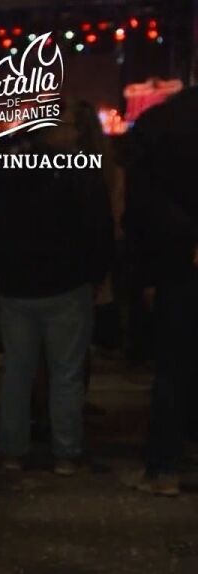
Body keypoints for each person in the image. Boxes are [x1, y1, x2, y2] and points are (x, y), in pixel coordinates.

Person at [0, 118, 115, 474]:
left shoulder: (8, 170)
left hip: (18, 284)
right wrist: (96, 274)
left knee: (18, 370)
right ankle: (66, 452)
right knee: (66, 372)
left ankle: (12, 448)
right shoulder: (80, 172)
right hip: (67, 283)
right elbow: (98, 227)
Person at [125, 86, 198, 496]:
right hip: (177, 256)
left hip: (176, 262)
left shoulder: (161, 124)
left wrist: (146, 273)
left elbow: (142, 206)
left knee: (173, 367)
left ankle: (164, 466)